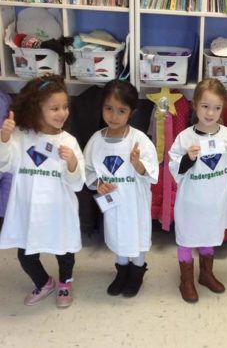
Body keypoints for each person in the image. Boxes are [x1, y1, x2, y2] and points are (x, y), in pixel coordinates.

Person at [0, 75, 85, 308]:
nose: (62, 113)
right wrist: (4, 138)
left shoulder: (69, 141)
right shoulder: (21, 137)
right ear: (36, 109)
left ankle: (65, 282)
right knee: (25, 256)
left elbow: (77, 184)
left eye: (65, 107)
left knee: (64, 251)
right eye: (54, 108)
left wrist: (71, 164)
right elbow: (4, 163)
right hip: (28, 211)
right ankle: (44, 282)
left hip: (59, 210)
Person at [168, 78, 227, 303]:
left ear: (223, 108)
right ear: (194, 105)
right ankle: (186, 280)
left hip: (215, 201)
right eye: (205, 106)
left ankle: (206, 274)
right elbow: (175, 168)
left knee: (209, 235)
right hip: (192, 202)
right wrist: (188, 159)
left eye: (216, 108)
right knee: (187, 237)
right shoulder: (186, 137)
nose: (210, 113)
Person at [84, 80, 158, 298]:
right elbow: (88, 170)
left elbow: (152, 173)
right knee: (118, 237)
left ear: (131, 112)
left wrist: (138, 165)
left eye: (121, 111)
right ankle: (121, 271)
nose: (113, 116)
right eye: (109, 109)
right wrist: (99, 184)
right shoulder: (96, 141)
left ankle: (137, 273)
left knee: (136, 237)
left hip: (134, 203)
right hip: (113, 204)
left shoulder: (139, 140)